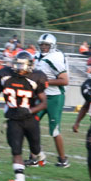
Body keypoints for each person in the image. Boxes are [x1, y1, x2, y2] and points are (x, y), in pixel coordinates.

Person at [0, 51, 49, 181]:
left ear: (30, 66)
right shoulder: (5, 76)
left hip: (30, 118)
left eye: (23, 65)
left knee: (35, 149)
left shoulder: (35, 78)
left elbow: (44, 103)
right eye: (18, 65)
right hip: (13, 118)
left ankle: (40, 155)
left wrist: (30, 111)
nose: (20, 68)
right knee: (16, 150)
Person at [33, 33, 70, 167]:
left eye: (46, 45)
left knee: (54, 130)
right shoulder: (37, 57)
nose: (43, 47)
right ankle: (35, 157)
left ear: (52, 46)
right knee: (31, 123)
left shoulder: (54, 58)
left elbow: (65, 80)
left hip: (55, 97)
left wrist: (45, 82)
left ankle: (63, 159)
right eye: (41, 44)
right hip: (42, 96)